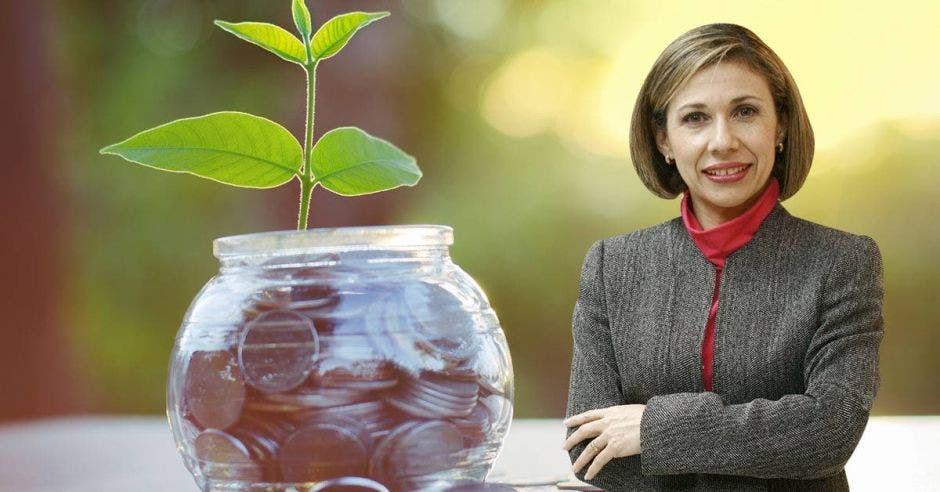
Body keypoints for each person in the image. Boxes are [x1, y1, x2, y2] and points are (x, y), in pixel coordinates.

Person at [562, 23, 884, 491]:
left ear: (781, 126)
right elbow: (591, 453)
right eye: (694, 118)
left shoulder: (842, 263)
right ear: (664, 141)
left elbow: (828, 432)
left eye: (746, 112)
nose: (723, 141)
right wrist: (766, 445)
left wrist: (654, 429)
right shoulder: (613, 266)